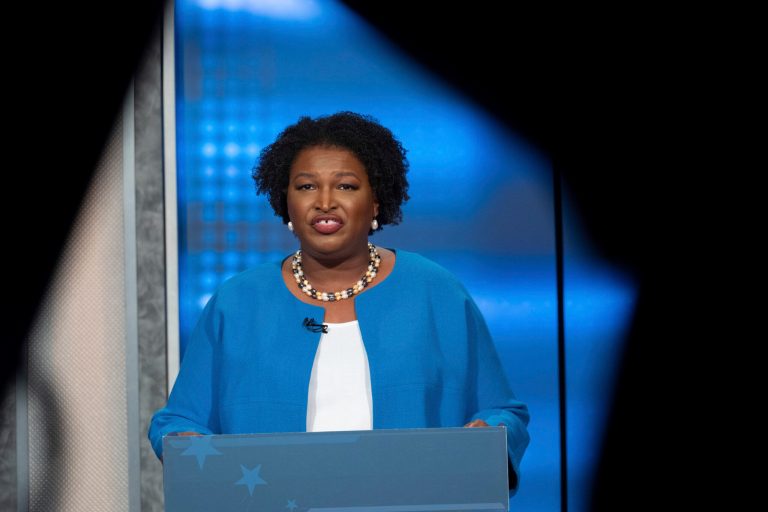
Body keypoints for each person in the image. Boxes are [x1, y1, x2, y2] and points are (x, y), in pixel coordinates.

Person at [148, 111, 530, 490]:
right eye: (306, 187)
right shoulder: (237, 302)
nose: (325, 202)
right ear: (287, 203)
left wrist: (489, 433)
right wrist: (187, 447)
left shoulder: (436, 292)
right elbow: (181, 420)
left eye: (346, 186)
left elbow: (503, 413)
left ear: (376, 202)